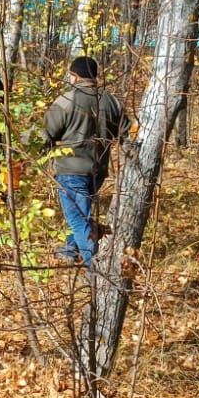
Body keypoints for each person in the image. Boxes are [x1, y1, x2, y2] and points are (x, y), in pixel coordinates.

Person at [44, 55, 128, 266]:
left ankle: (96, 271)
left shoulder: (66, 101)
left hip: (71, 172)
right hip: (98, 171)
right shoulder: (111, 101)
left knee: (78, 219)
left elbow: (45, 134)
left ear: (74, 76)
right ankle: (71, 249)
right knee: (82, 212)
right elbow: (127, 132)